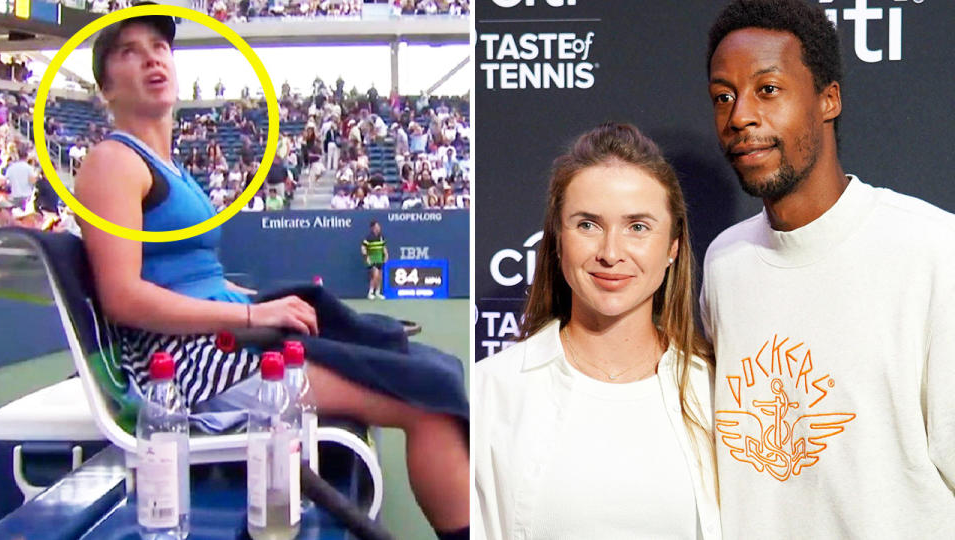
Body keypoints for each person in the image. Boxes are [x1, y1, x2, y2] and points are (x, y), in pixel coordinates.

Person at [72, 11, 468, 539]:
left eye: (160, 46)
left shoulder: (169, 166)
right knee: (430, 398)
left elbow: (189, 275)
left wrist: (256, 301)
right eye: (128, 51)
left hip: (227, 342)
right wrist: (253, 312)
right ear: (105, 89)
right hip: (194, 367)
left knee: (435, 366)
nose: (151, 57)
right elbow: (122, 297)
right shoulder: (112, 162)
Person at [700, 1, 955, 538]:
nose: (740, 115)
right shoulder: (725, 264)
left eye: (767, 89)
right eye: (724, 96)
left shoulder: (932, 248)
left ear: (827, 99)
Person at [473, 124, 720, 540]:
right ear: (557, 240)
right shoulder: (490, 392)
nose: (610, 252)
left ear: (672, 248)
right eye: (588, 224)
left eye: (637, 227)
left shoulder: (717, 394)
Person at [361, 220, 388, 300]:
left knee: (379, 276)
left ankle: (377, 292)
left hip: (380, 259)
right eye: (376, 227)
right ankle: (370, 292)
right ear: (372, 228)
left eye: (378, 226)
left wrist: (386, 255)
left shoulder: (381, 237)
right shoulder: (368, 237)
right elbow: (363, 248)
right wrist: (366, 257)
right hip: (372, 259)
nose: (378, 228)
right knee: (375, 275)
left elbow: (384, 247)